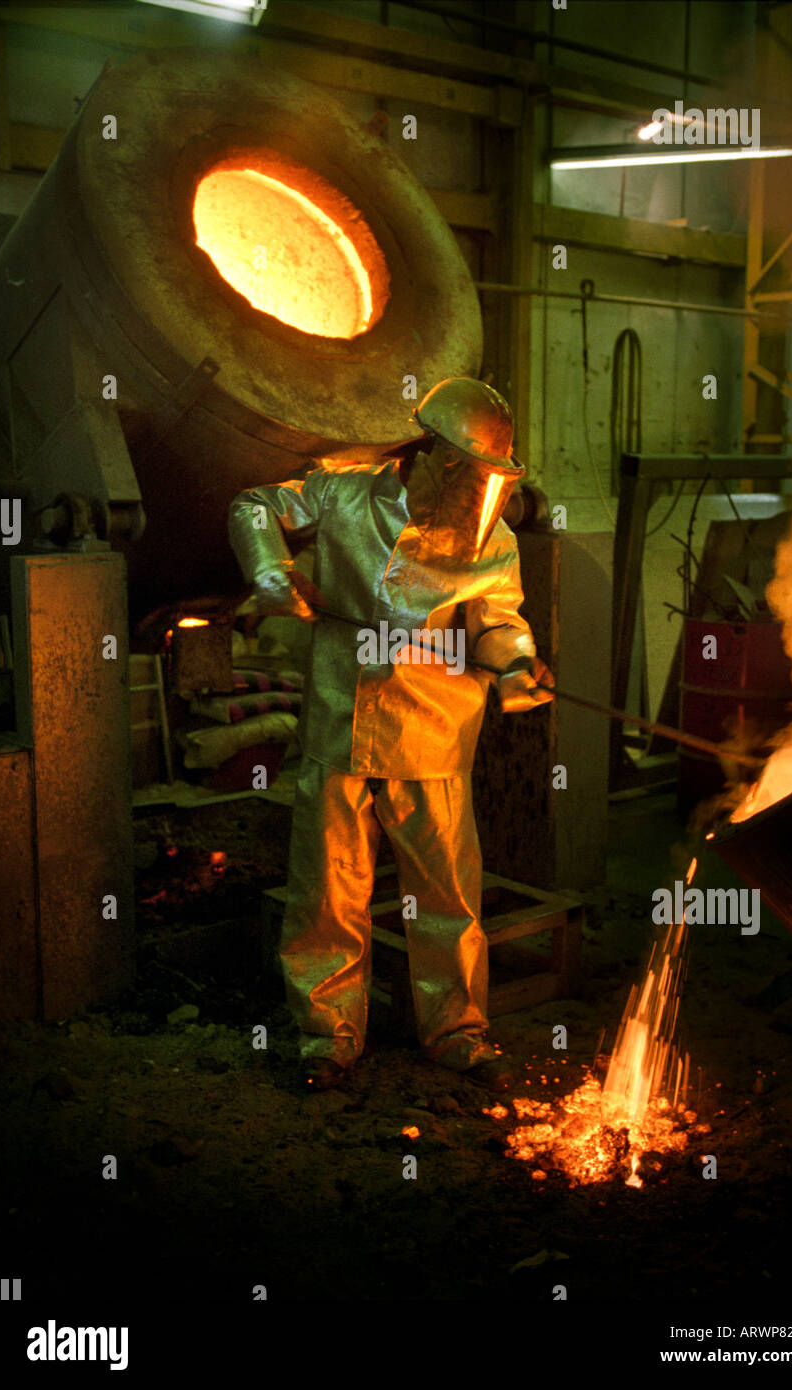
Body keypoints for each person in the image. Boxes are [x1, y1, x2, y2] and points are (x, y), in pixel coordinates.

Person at [229, 378, 554, 1090]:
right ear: (432, 453)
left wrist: (517, 667)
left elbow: (497, 619)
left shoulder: (489, 540)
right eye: (471, 471)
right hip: (340, 721)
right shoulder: (343, 495)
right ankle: (327, 1036)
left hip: (432, 735)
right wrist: (272, 573)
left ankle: (457, 1032)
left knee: (445, 895)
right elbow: (253, 504)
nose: (481, 489)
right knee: (326, 891)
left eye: (491, 476)